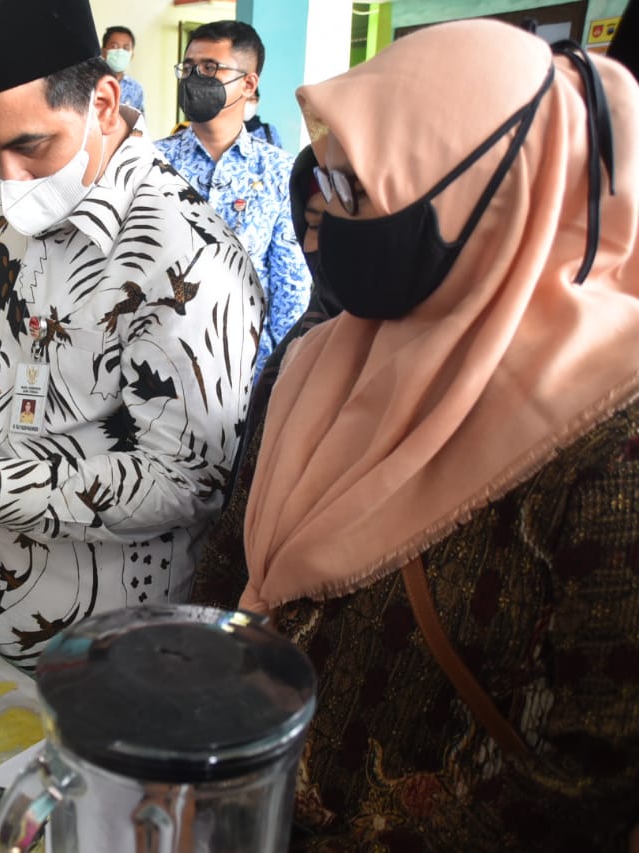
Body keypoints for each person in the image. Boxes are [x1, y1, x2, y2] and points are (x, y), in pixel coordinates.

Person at [199, 21, 639, 849]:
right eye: (322, 175)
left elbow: (587, 770)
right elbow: (231, 564)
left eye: (357, 188)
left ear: (490, 198)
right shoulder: (323, 351)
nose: (320, 212)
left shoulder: (609, 438)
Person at [0, 0, 264, 670]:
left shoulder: (185, 253)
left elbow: (189, 477)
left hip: (105, 650)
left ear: (103, 102)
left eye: (29, 146)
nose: (8, 181)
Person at [155, 20, 310, 376]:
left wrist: (284, 375)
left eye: (210, 68)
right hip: (160, 368)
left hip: (246, 372)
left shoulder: (278, 172)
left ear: (248, 83)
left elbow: (291, 288)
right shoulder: (150, 163)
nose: (194, 77)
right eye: (189, 68)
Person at [101, 25, 144, 113]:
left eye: (126, 48)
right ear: (103, 52)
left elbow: (139, 124)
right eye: (114, 46)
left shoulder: (136, 89)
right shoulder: (90, 83)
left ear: (131, 55)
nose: (120, 52)